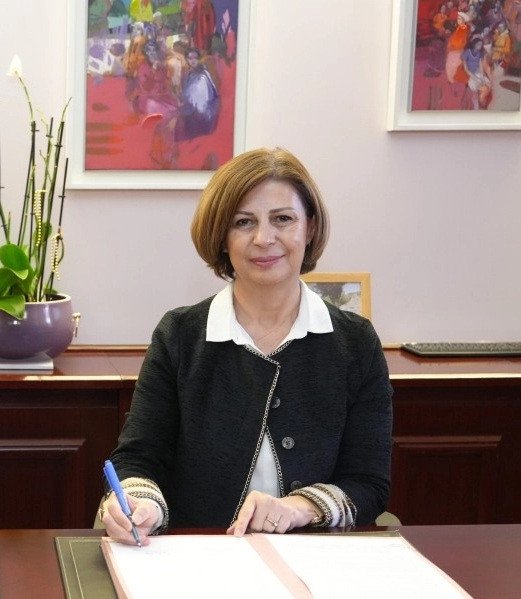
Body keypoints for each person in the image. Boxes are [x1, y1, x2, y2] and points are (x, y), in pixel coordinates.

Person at [100, 147, 393, 545]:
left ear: (309, 227)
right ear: (222, 238)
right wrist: (138, 502)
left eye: (283, 219)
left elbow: (369, 483)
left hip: (314, 558)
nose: (264, 238)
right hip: (200, 555)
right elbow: (138, 458)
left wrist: (300, 507)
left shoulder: (356, 342)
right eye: (243, 222)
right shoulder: (180, 335)